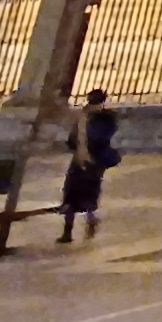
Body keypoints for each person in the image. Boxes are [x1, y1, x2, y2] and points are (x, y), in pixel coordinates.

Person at [58, 89, 122, 242]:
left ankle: (71, 230)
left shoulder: (91, 118)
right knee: (84, 195)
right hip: (93, 162)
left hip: (86, 161)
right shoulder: (105, 118)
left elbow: (74, 140)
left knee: (74, 195)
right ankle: (84, 224)